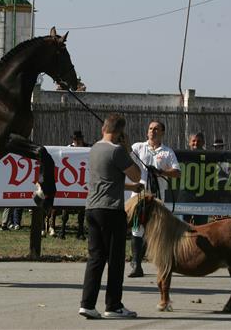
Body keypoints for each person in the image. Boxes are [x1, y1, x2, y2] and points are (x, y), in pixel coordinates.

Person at [79, 113, 142, 320]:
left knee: (96, 257)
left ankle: (87, 304)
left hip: (93, 208)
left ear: (103, 128)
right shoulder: (117, 151)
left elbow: (108, 180)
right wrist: (126, 148)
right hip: (111, 210)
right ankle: (113, 305)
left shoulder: (95, 148)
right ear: (120, 133)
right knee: (116, 260)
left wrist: (131, 187)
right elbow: (136, 174)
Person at [128, 120, 181, 278]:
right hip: (139, 197)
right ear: (147, 132)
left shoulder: (167, 152)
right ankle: (136, 264)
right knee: (137, 229)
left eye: (156, 129)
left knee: (154, 231)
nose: (153, 131)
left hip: (157, 199)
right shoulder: (138, 148)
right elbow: (125, 156)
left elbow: (177, 172)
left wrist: (161, 172)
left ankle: (159, 262)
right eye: (151, 128)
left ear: (162, 132)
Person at [182, 132, 208, 225]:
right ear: (189, 142)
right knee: (182, 226)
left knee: (202, 226)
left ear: (203, 143)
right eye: (193, 141)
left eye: (198, 141)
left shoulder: (209, 157)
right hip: (185, 197)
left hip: (203, 197)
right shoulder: (183, 156)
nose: (196, 143)